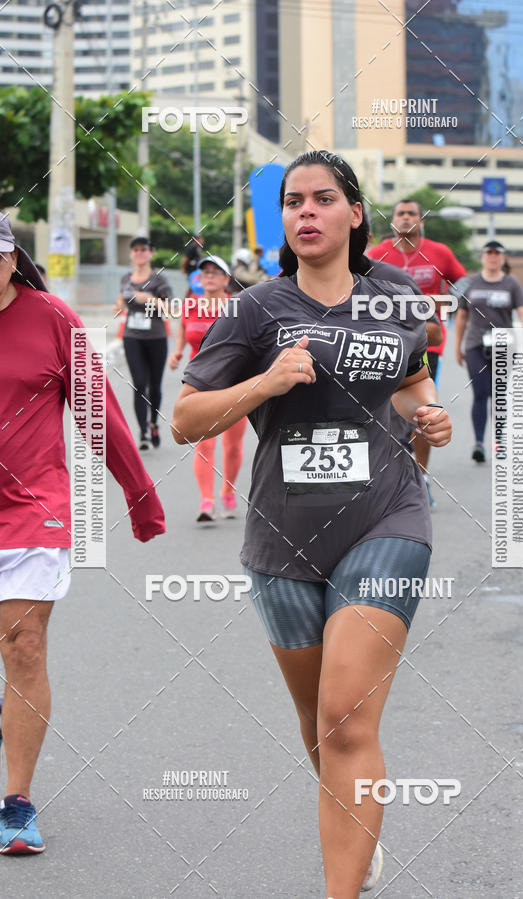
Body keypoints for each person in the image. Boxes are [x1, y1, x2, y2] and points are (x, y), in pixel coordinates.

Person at [172, 150, 452, 897]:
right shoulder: (254, 308)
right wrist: (266, 379)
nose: (306, 212)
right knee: (321, 727)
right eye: (293, 201)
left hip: (388, 516)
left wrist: (426, 418)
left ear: (355, 213)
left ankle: (340, 888)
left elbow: (411, 384)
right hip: (282, 539)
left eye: (323, 199)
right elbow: (185, 420)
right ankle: (356, 839)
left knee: (345, 717)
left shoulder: (397, 296)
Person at [0, 214, 165, 854]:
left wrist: (141, 496)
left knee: (24, 647)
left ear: (14, 259)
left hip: (32, 510)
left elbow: (100, 412)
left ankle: (16, 802)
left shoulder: (52, 319)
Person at [368, 199, 466, 507]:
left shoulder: (439, 252)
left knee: (422, 408)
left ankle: (421, 476)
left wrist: (450, 301)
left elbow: (461, 280)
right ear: (392, 220)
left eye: (412, 213)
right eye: (401, 213)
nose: (407, 217)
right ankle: (387, 475)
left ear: (420, 220)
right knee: (383, 410)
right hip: (383, 342)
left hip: (428, 340)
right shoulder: (377, 255)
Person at [169, 256, 247, 521]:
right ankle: (207, 500)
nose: (210, 276)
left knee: (233, 445)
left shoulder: (237, 307)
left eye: (216, 272)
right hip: (199, 385)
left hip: (234, 384)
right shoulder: (190, 305)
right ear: (199, 279)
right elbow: (182, 328)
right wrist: (178, 352)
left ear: (227, 279)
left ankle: (227, 488)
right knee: (204, 443)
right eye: (205, 272)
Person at [455, 239, 523, 462]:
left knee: (499, 395)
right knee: (480, 393)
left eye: (497, 253)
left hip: (504, 345)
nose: (492, 256)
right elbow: (461, 317)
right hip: (475, 345)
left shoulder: (511, 283)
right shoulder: (469, 282)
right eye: (488, 253)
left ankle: (499, 441)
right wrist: (457, 347)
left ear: (502, 257)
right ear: (482, 257)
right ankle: (479, 443)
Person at [113, 236, 172, 450]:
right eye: (135, 250)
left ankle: (154, 422)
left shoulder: (159, 280)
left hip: (156, 337)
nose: (139, 253)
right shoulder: (125, 279)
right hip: (132, 337)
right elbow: (121, 302)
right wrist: (119, 306)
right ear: (131, 254)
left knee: (154, 385)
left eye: (143, 249)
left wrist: (146, 299)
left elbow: (169, 307)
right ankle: (143, 432)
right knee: (139, 384)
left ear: (151, 253)